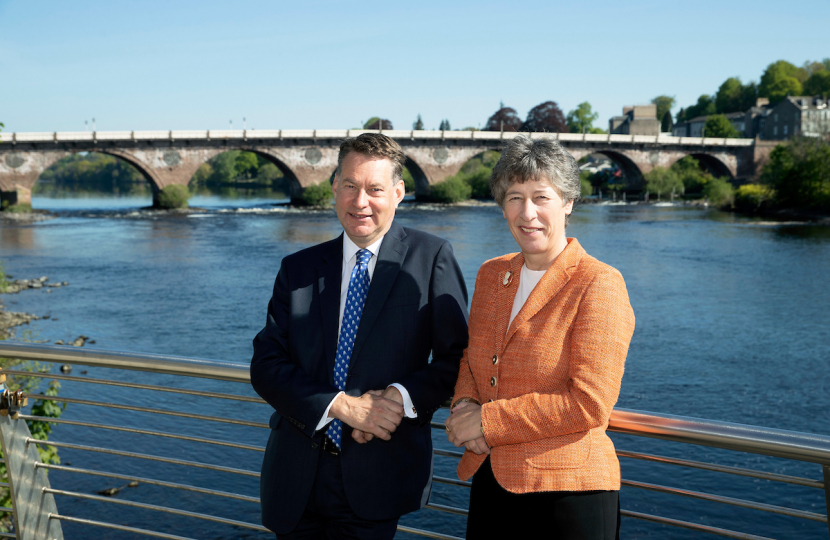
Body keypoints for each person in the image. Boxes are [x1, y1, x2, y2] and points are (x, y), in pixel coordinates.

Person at [251, 133, 469, 539]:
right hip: (295, 478)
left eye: (375, 189)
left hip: (378, 476)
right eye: (349, 186)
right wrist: (339, 406)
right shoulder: (297, 269)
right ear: (334, 187)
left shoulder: (431, 258)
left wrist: (398, 399)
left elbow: (458, 359)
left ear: (398, 192)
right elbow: (266, 365)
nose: (360, 201)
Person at [444, 136, 635, 539]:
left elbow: (589, 403)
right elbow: (472, 358)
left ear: (567, 202)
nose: (527, 213)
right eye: (514, 197)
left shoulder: (598, 283)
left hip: (568, 495)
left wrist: (486, 421)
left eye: (541, 197)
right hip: (493, 481)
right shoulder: (492, 274)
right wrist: (464, 405)